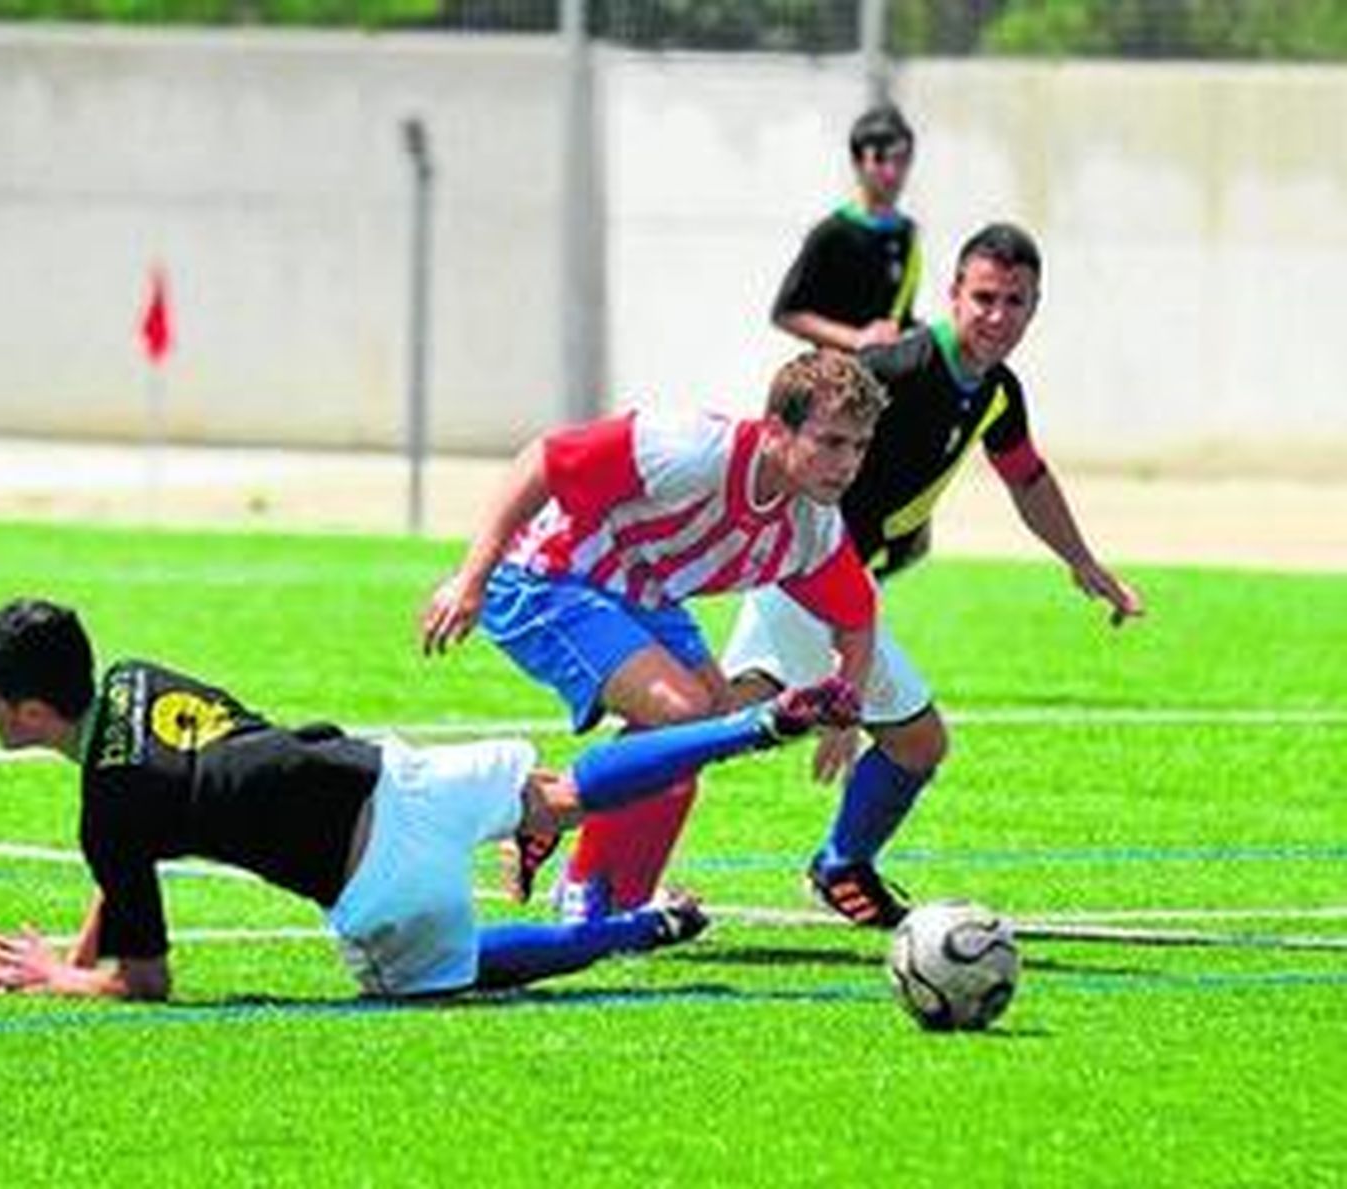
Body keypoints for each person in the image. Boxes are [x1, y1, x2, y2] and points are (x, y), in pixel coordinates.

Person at [0, 598, 860, 1001]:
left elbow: (146, 981)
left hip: (380, 887)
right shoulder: (136, 681)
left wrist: (68, 972)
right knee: (559, 795)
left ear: (33, 713)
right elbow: (134, 841)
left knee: (456, 972)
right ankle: (761, 725)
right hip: (396, 775)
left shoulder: (108, 813)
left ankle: (639, 928)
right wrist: (94, 921)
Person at [720, 221, 1146, 928]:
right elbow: (787, 437)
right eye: (983, 297)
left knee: (709, 714)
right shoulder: (894, 372)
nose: (997, 316)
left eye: (1016, 301)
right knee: (918, 740)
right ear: (952, 294)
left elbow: (1026, 476)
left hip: (830, 584)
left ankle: (567, 804)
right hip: (813, 582)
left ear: (1035, 307)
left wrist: (1081, 560)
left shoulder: (998, 391)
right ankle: (840, 865)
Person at [420, 351, 889, 921]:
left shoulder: (811, 526)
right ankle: (576, 880)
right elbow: (540, 461)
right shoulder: (690, 447)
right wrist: (472, 578)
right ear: (775, 430)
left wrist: (849, 705)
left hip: (639, 594)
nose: (848, 463)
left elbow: (857, 616)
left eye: (860, 446)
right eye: (832, 442)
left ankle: (622, 897)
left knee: (702, 727)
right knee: (684, 714)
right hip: (546, 574)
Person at [772, 103, 922, 354]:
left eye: (901, 159)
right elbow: (786, 313)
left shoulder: (907, 232)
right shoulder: (831, 233)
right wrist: (856, 338)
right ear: (857, 161)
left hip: (890, 383)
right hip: (839, 381)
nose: (892, 172)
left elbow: (897, 317)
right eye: (880, 159)